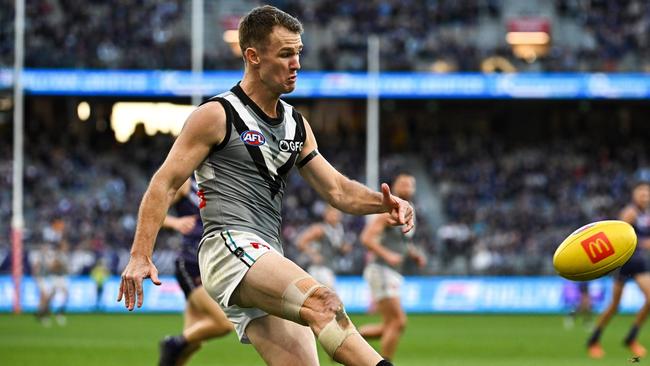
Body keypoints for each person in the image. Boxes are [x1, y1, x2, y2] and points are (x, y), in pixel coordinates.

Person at [117, 6, 413, 366]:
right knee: (324, 303)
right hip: (228, 246)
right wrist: (139, 255)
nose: (297, 64)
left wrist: (384, 203)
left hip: (266, 254)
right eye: (286, 53)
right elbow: (164, 183)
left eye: (298, 53)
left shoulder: (296, 125)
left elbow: (338, 191)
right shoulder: (217, 115)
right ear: (253, 57)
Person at [158, 178, 233, 366]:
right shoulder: (186, 184)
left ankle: (177, 346)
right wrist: (175, 222)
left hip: (209, 263)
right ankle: (172, 343)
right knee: (224, 324)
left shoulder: (215, 184)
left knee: (193, 343)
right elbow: (153, 208)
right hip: (190, 262)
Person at [358, 173, 426, 361]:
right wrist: (387, 254)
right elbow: (366, 238)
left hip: (391, 272)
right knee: (398, 322)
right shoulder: (388, 211)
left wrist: (413, 255)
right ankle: (384, 362)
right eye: (403, 183)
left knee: (390, 325)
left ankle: (349, 339)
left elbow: (402, 242)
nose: (407, 186)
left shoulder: (408, 212)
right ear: (395, 187)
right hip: (381, 269)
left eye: (410, 184)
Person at [587, 182, 650, 359]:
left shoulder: (646, 214)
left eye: (647, 194)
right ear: (634, 195)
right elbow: (619, 237)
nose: (645, 197)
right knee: (614, 306)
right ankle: (593, 340)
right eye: (642, 193)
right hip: (625, 262)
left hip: (639, 263)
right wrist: (644, 243)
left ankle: (631, 338)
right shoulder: (630, 213)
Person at [296, 204, 352, 289]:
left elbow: (337, 245)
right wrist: (313, 254)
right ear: (326, 215)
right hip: (319, 269)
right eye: (332, 214)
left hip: (330, 267)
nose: (335, 217)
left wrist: (344, 248)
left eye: (337, 214)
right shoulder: (320, 229)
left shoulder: (338, 230)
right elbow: (300, 242)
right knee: (329, 295)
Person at [33, 240, 70, 327]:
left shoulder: (63, 255)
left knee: (63, 295)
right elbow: (52, 267)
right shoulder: (56, 255)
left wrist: (65, 268)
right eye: (65, 246)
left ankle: (53, 313)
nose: (67, 247)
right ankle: (44, 314)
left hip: (60, 277)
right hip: (54, 278)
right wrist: (59, 265)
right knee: (48, 297)